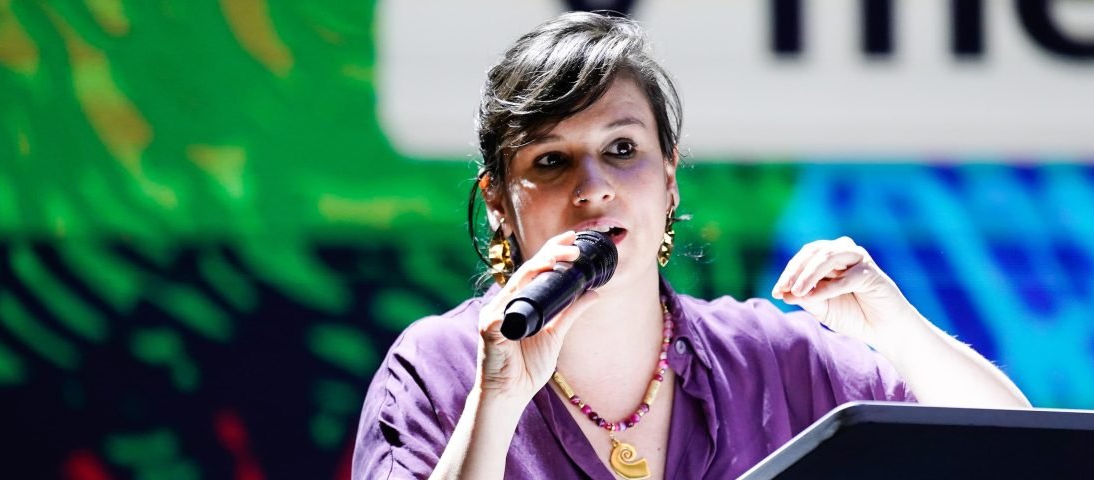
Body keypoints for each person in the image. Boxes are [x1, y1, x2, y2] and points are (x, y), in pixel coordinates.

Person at [353, 11, 1030, 480]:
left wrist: (897, 329)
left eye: (623, 149)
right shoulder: (436, 370)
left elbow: (1024, 456)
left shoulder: (774, 357)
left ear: (670, 179)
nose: (594, 188)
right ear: (499, 200)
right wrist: (497, 398)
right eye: (551, 161)